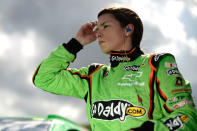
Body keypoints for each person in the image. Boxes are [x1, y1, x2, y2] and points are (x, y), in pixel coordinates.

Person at [32, 6, 197, 131]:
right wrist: (76, 43)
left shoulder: (156, 64)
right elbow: (43, 78)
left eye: (105, 26)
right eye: (97, 28)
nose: (98, 34)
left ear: (128, 29)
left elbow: (186, 117)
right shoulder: (93, 76)